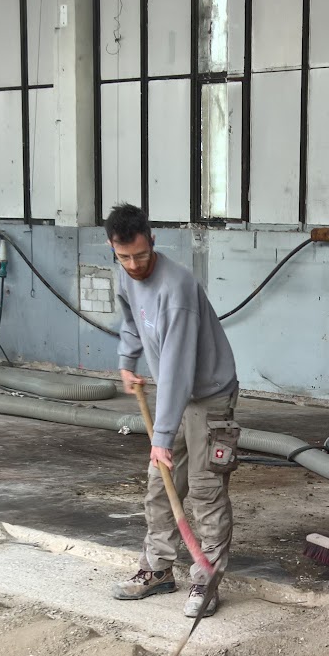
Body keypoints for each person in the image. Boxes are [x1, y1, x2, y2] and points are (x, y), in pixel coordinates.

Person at [106, 203, 241, 619]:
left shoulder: (177, 289)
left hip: (207, 395)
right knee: (159, 483)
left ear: (153, 241)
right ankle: (158, 569)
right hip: (172, 391)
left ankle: (207, 579)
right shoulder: (126, 274)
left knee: (204, 489)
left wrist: (162, 438)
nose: (134, 265)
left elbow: (180, 369)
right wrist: (127, 360)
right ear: (113, 249)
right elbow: (131, 319)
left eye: (141, 255)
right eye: (124, 257)